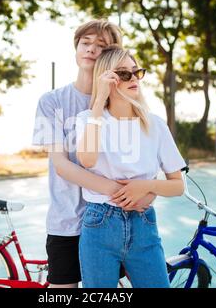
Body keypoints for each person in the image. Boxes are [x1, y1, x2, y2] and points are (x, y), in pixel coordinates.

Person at [32, 20, 156, 288]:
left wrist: (148, 191)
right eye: (85, 42)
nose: (90, 49)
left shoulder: (124, 103)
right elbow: (62, 166)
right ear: (76, 47)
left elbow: (144, 162)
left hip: (117, 221)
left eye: (100, 46)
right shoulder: (52, 101)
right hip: (67, 221)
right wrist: (120, 192)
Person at [75, 45, 186, 288]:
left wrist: (146, 186)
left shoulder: (154, 124)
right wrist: (99, 102)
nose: (133, 78)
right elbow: (87, 160)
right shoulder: (88, 119)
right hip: (100, 225)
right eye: (124, 74)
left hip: (143, 224)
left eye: (136, 72)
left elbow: (178, 186)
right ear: (107, 79)